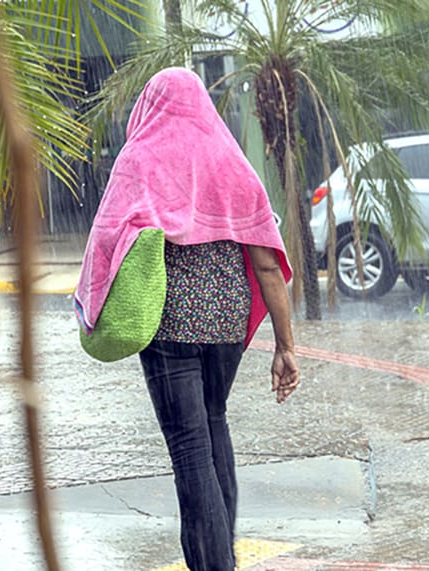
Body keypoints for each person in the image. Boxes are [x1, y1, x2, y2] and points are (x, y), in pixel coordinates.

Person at [74, 67, 299, 570]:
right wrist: (286, 346)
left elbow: (108, 238)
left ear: (150, 105)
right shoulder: (229, 158)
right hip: (225, 324)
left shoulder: (140, 158)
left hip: (170, 326)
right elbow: (267, 262)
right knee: (213, 423)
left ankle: (214, 565)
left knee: (189, 450)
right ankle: (223, 556)